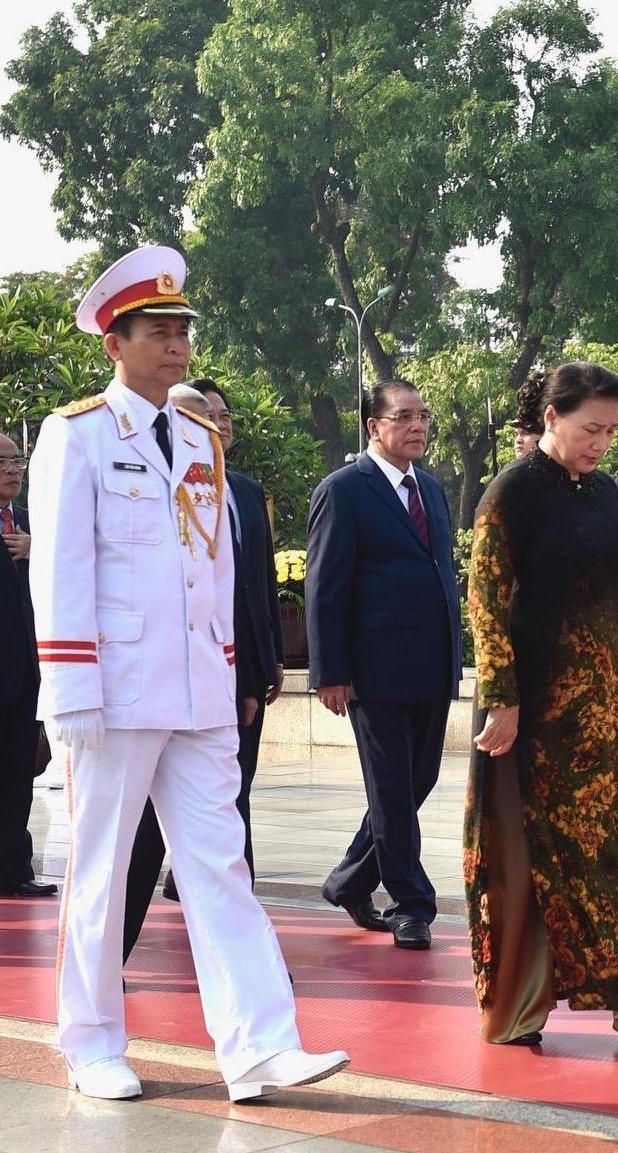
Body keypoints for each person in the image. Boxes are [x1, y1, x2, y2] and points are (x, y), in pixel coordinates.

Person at [30, 244, 347, 1101]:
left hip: (199, 692)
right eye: (158, 332)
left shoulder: (200, 436)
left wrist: (230, 675)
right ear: (116, 343)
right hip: (114, 691)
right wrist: (69, 693)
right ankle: (91, 1042)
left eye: (182, 331)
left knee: (220, 864)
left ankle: (258, 1046)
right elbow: (58, 571)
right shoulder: (78, 435)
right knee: (99, 868)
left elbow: (212, 570)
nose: (177, 346)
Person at [465, 363, 618, 1049]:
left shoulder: (600, 490)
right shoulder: (510, 494)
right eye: (590, 428)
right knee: (535, 850)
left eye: (611, 429)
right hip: (534, 704)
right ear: (551, 419)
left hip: (597, 702)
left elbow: (614, 593)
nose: (602, 442)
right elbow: (484, 602)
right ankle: (521, 1006)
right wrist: (503, 700)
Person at [123, 380, 282, 959]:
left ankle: (244, 962)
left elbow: (251, 591)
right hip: (155, 687)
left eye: (224, 415)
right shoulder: (149, 489)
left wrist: (264, 667)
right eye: (203, 416)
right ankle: (108, 956)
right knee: (140, 833)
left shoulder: (241, 491)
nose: (218, 426)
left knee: (227, 818)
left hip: (233, 683)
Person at [307, 379, 462, 950]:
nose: (418, 426)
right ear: (374, 426)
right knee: (392, 785)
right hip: (375, 668)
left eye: (424, 416)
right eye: (404, 417)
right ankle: (411, 902)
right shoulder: (344, 489)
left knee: (417, 780)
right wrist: (330, 670)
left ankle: (350, 879)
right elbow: (326, 584)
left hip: (433, 661)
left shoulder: (433, 489)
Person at [0, 430, 55, 898]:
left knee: (16, 780)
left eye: (17, 461)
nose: (13, 470)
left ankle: (12, 870)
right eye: (0, 461)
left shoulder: (32, 525)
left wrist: (38, 551)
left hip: (28, 677)